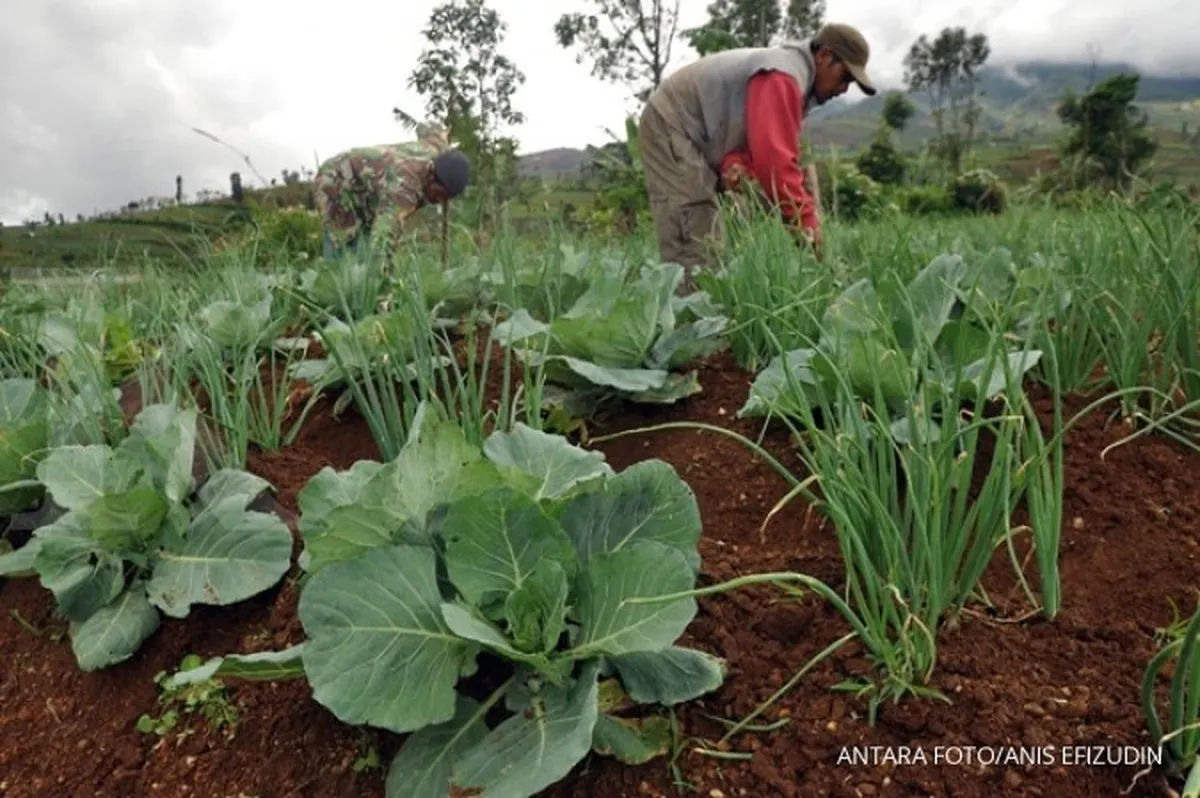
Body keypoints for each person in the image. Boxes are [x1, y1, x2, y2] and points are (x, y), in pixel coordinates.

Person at [639, 22, 877, 287]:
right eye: (845, 77)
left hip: (700, 134)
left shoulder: (795, 83)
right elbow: (775, 164)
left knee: (711, 238)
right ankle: (689, 322)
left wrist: (736, 164)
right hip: (674, 122)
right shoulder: (782, 76)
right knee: (693, 231)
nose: (843, 89)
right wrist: (806, 221)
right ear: (823, 56)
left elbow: (754, 144)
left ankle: (704, 314)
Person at [313, 122, 471, 259]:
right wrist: (386, 284)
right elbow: (384, 236)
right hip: (337, 179)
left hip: (367, 189)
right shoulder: (406, 188)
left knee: (365, 239)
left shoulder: (439, 151)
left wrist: (444, 134)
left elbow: (427, 128)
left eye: (447, 198)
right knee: (345, 247)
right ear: (431, 175)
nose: (439, 201)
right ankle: (336, 288)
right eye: (439, 194)